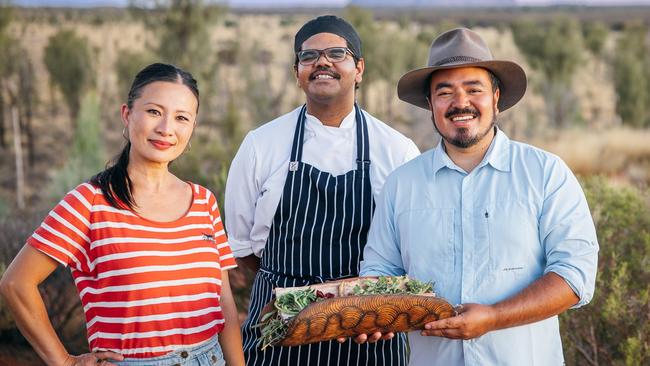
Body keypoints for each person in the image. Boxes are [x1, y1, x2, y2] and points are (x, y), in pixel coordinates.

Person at [358, 28, 599, 365]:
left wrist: (495, 317)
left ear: (496, 97)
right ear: (430, 104)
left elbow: (574, 276)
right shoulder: (402, 184)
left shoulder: (546, 174)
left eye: (474, 89)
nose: (461, 103)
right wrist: (374, 313)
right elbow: (381, 270)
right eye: (445, 92)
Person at [0, 63, 245, 366]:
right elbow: (16, 284)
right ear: (127, 115)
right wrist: (63, 361)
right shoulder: (90, 202)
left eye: (182, 118)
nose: (166, 128)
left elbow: (225, 306)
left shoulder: (204, 201)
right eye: (154, 112)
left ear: (192, 128)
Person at [225, 15, 420, 366]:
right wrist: (294, 290)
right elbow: (241, 249)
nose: (322, 63)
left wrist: (361, 299)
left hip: (368, 329)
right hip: (280, 324)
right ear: (297, 72)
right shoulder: (260, 145)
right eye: (309, 56)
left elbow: (411, 248)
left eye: (336, 53)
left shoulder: (397, 150)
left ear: (359, 68)